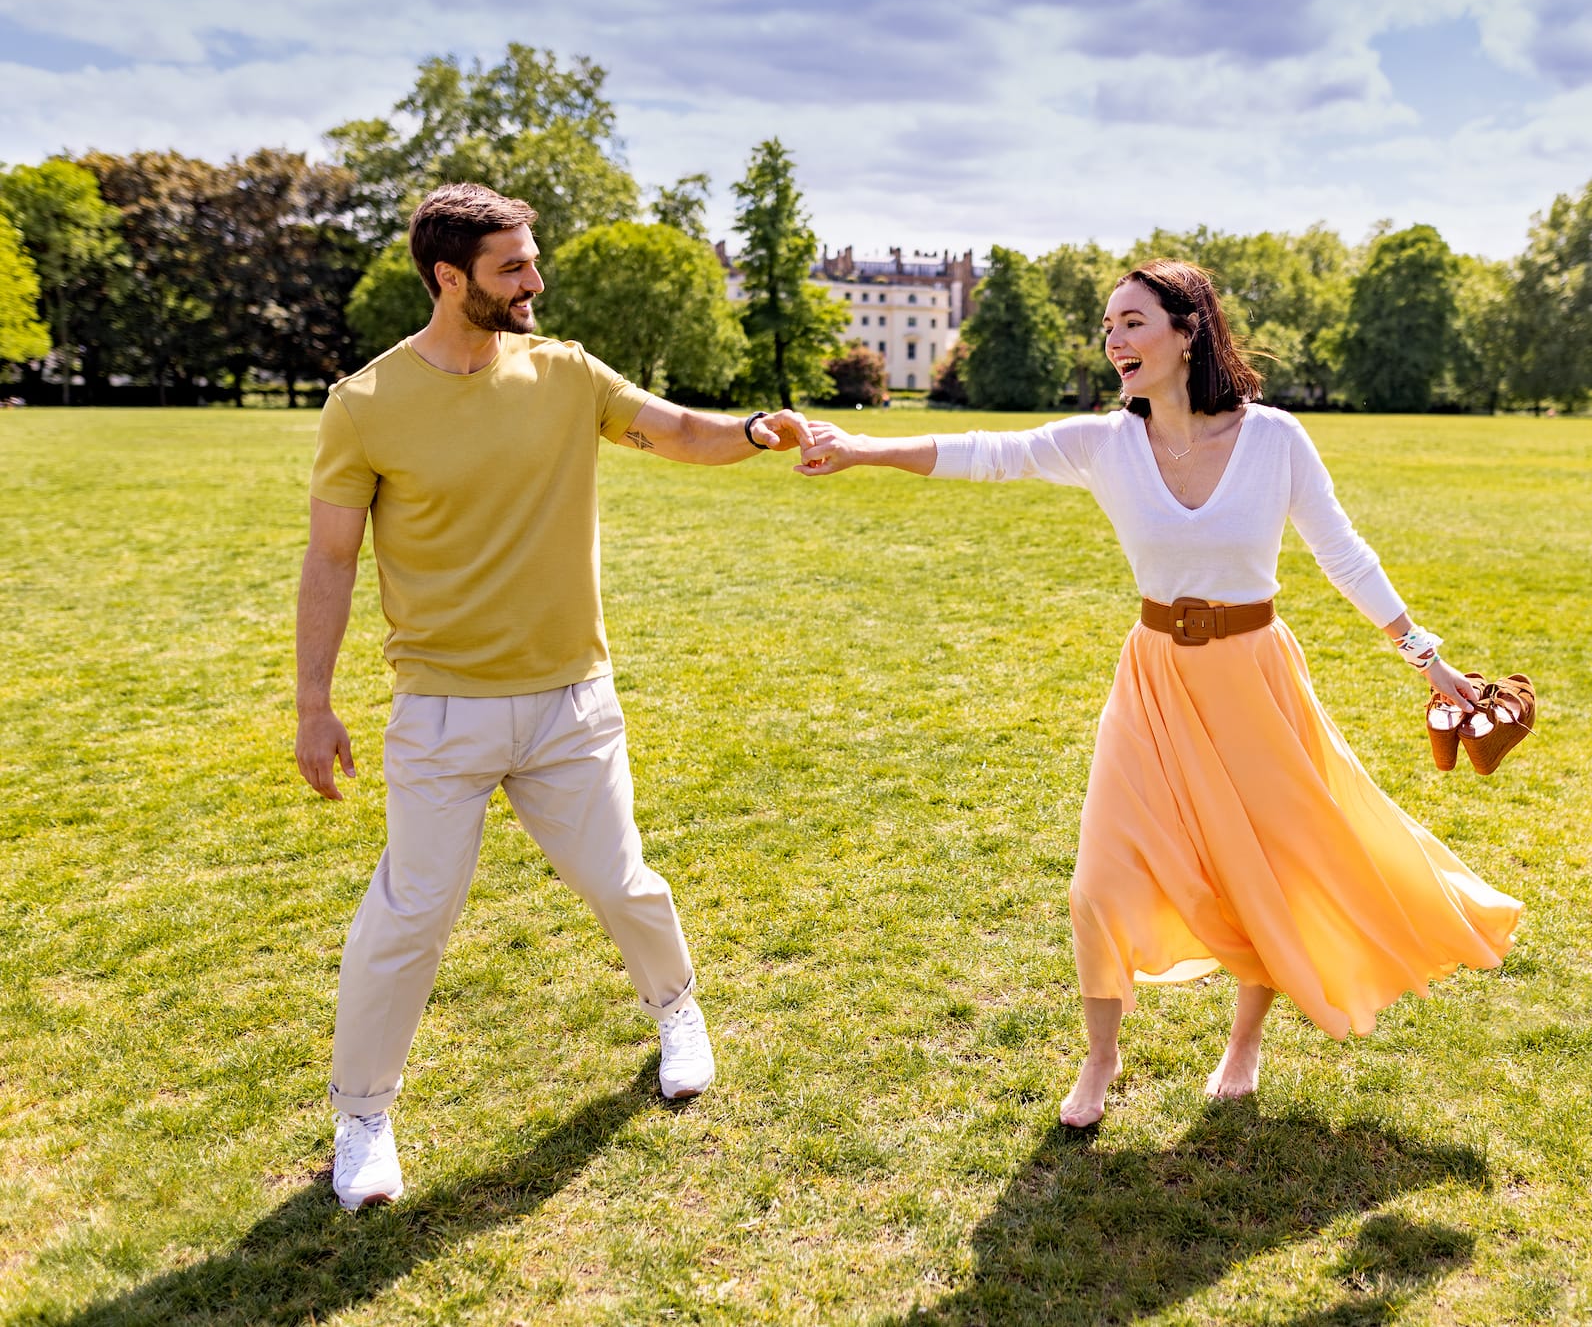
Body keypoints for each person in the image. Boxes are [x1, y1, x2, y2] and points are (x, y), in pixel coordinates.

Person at [797, 260, 1521, 1127]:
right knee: (1100, 880)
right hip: (1153, 680)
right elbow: (989, 454)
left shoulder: (1276, 439)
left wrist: (1426, 657)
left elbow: (1343, 554)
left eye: (1132, 322)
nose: (1114, 341)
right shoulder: (1104, 443)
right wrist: (863, 448)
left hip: (1254, 678)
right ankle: (1100, 1061)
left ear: (1188, 332)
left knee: (1264, 869)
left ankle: (1245, 1043)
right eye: (1108, 327)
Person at [294, 183, 819, 1210]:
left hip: (571, 701)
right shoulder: (364, 402)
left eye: (533, 260)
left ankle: (676, 1009)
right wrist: (313, 704)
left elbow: (673, 432)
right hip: (441, 712)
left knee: (622, 883)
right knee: (410, 919)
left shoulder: (564, 371)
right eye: (512, 268)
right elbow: (328, 560)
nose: (536, 280)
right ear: (449, 280)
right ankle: (362, 1116)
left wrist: (755, 430)